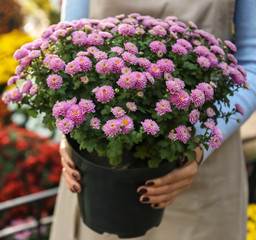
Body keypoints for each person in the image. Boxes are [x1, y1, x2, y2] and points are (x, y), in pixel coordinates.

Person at [49, 0, 256, 239]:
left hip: (204, 166)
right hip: (99, 173)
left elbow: (251, 65)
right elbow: (67, 42)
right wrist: (69, 126)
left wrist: (198, 144)